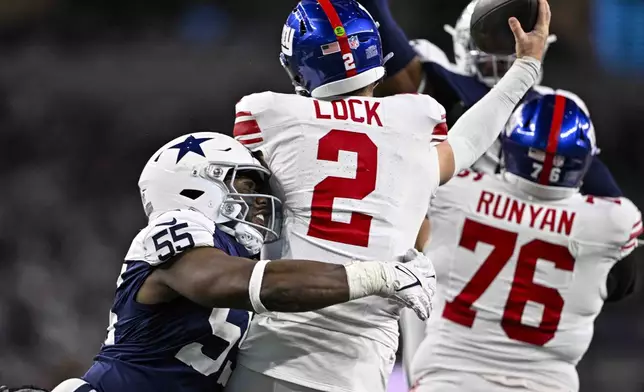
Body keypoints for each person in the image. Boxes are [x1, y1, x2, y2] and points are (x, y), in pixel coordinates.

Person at [225, 0, 552, 391]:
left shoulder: (267, 115)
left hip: (271, 358)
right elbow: (467, 141)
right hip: (360, 370)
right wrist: (525, 66)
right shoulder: (414, 122)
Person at [51, 131, 435, 392]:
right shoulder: (177, 225)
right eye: (246, 186)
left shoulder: (236, 252)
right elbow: (225, 283)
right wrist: (376, 276)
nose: (256, 204)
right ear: (196, 183)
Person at [408, 94, 642, 392]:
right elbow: (624, 279)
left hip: (450, 380)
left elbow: (413, 219)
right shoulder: (611, 222)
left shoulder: (457, 192)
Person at [360, 0, 622, 198]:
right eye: (491, 45)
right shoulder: (444, 79)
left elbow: (606, 199)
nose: (500, 58)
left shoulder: (552, 106)